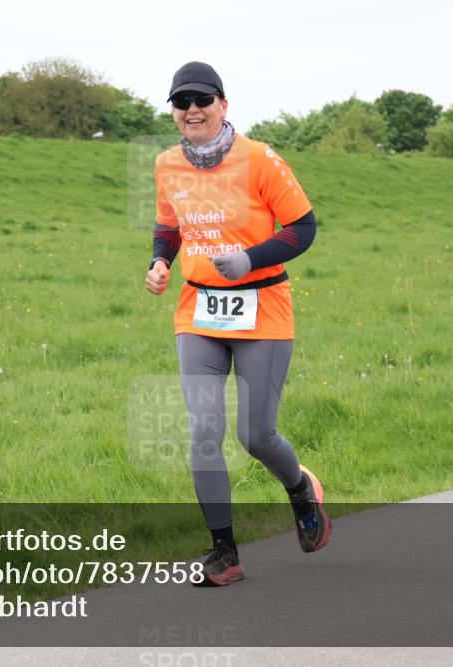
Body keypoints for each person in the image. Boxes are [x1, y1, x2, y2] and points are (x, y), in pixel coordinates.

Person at [145, 61, 330, 587]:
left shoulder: (260, 159)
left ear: (223, 104)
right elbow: (168, 226)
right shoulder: (166, 165)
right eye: (182, 102)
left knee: (255, 434)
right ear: (174, 113)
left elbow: (303, 227)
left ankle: (299, 490)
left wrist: (251, 259)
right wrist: (160, 262)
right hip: (199, 310)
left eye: (203, 99)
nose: (192, 110)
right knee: (204, 432)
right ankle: (224, 553)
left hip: (262, 306)